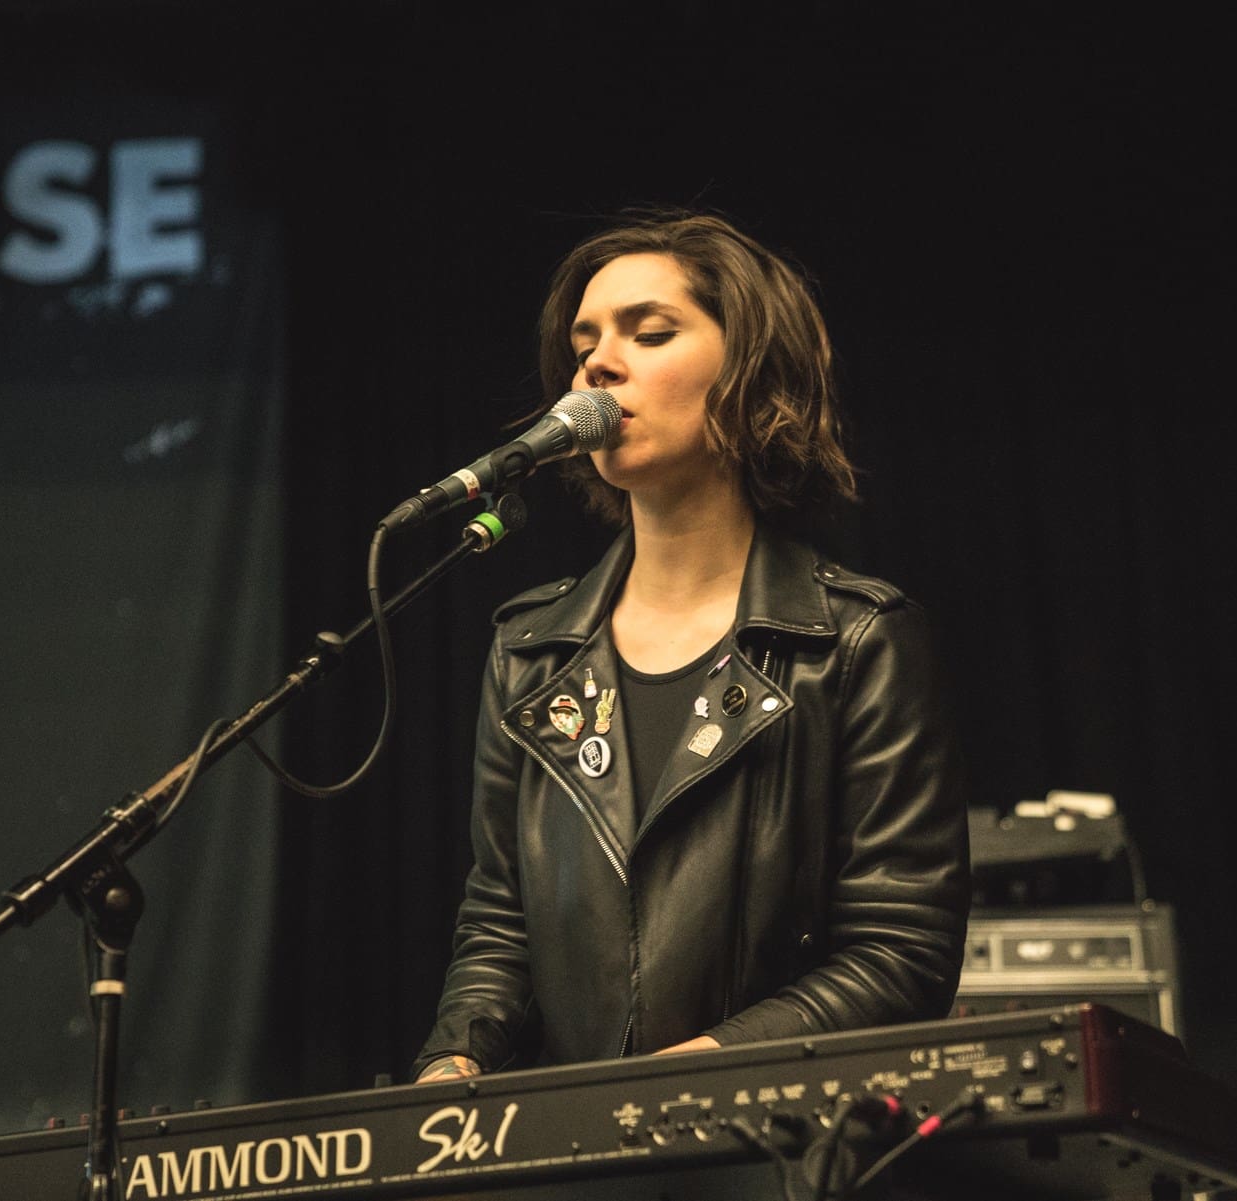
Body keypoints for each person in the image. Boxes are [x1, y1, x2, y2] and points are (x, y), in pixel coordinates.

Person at [412, 210, 968, 1082]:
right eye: (584, 344)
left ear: (749, 373)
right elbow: (500, 924)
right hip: (577, 1148)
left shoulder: (858, 640)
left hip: (779, 1141)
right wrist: (453, 1061)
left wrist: (685, 1081)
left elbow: (902, 952)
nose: (596, 365)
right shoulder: (530, 651)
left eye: (650, 332)